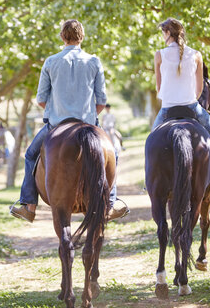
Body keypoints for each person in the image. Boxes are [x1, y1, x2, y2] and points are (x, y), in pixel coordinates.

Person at [10, 19, 129, 222]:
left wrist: (55, 109)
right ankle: (110, 204)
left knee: (31, 155)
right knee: (114, 154)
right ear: (82, 37)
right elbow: (101, 100)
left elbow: (40, 99)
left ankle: (28, 206)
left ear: (62, 37)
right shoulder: (93, 61)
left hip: (57, 125)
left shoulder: (50, 61)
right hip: (88, 125)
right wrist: (91, 117)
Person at [152, 18, 210, 191]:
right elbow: (199, 89)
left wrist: (170, 96)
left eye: (162, 33)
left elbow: (159, 88)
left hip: (167, 109)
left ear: (167, 33)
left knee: (151, 141)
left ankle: (150, 180)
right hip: (192, 108)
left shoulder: (159, 55)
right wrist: (188, 99)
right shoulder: (196, 55)